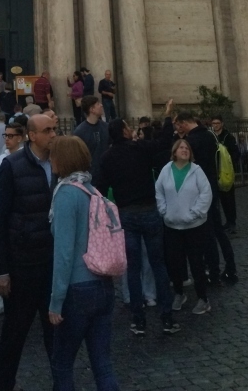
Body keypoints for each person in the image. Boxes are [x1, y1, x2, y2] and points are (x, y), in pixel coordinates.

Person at [96, 103, 179, 336]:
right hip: (149, 210)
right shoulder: (139, 148)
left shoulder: (107, 157)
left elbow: (100, 188)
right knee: (158, 264)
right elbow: (164, 142)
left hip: (126, 214)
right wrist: (167, 118)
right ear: (124, 131)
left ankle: (138, 319)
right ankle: (166, 316)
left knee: (132, 268)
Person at [0, 113, 57, 391]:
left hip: (52, 263)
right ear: (32, 135)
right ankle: (4, 385)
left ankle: (61, 383)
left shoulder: (60, 163)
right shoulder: (11, 165)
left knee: (56, 333)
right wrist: (1, 270)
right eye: (48, 130)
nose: (53, 134)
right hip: (22, 265)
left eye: (54, 129)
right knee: (14, 334)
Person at [48, 136, 119, 391]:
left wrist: (56, 301)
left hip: (78, 288)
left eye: (53, 155)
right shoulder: (92, 190)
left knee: (62, 363)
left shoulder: (66, 194)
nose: (50, 159)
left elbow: (64, 253)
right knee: (102, 363)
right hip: (103, 284)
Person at [174, 111, 237, 286]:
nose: (178, 129)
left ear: (184, 123)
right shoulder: (210, 135)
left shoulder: (191, 141)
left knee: (206, 234)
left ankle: (212, 272)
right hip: (212, 188)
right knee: (218, 231)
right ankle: (230, 267)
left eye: (179, 125)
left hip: (198, 192)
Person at [155, 139, 213, 315]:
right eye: (181, 147)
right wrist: (164, 211)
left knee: (196, 263)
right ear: (174, 152)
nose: (184, 150)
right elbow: (159, 191)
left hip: (194, 226)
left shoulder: (197, 171)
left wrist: (195, 213)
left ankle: (203, 298)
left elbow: (206, 194)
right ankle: (179, 293)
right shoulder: (166, 170)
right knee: (175, 263)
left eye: (187, 147)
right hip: (172, 226)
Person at [0, 122, 25, 318]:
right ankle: (2, 297)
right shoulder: (1, 159)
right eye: (5, 135)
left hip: (18, 213)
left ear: (20, 137)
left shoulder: (25, 157)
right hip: (2, 211)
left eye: (10, 136)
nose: (7, 139)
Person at [210, 115, 240, 233]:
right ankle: (226, 222)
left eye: (217, 123)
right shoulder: (211, 137)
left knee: (229, 199)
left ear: (222, 124)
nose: (215, 125)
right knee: (221, 199)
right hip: (216, 172)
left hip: (226, 171)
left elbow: (235, 153)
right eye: (214, 123)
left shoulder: (228, 137)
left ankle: (232, 222)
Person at [74, 96, 110, 177]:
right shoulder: (80, 132)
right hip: (90, 175)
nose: (101, 105)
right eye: (98, 104)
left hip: (107, 172)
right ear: (92, 109)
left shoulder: (106, 127)